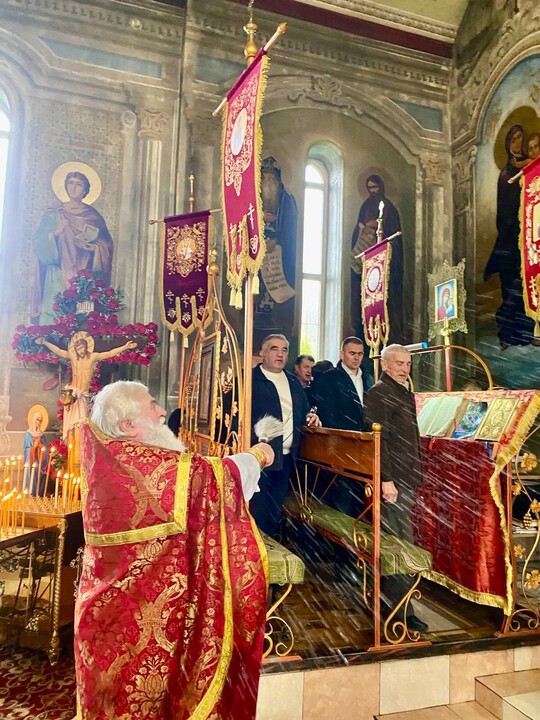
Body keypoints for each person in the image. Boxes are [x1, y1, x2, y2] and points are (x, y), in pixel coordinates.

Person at [74, 380, 274, 720]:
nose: (162, 411)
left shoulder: (111, 459)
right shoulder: (136, 465)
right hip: (128, 619)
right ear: (128, 425)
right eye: (152, 405)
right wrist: (258, 455)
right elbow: (209, 477)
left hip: (112, 613)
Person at [364, 344, 428, 633]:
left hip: (405, 477)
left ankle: (396, 603)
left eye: (408, 363)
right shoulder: (378, 393)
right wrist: (386, 479)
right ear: (385, 365)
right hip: (393, 480)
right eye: (399, 363)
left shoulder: (403, 392)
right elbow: (380, 441)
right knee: (399, 542)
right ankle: (400, 610)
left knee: (400, 541)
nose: (404, 368)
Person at [250, 333, 320, 537]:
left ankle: (271, 550)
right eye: (274, 349)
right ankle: (255, 550)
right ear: (262, 353)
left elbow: (305, 411)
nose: (280, 354)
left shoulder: (292, 381)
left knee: (274, 511)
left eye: (284, 350)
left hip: (287, 457)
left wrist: (311, 417)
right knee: (256, 510)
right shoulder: (250, 379)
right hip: (258, 458)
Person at [32, 171, 114, 324]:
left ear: (85, 190)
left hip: (83, 275)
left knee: (80, 319)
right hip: (57, 271)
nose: (73, 187)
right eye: (70, 183)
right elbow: (38, 242)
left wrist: (95, 248)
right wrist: (57, 232)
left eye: (78, 184)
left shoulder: (93, 216)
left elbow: (106, 244)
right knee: (55, 315)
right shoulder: (54, 213)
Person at [484, 124, 537, 349]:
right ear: (507, 144)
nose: (518, 144)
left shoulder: (530, 168)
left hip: (527, 237)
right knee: (511, 290)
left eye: (520, 139)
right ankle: (507, 334)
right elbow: (504, 211)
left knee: (526, 287)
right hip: (509, 239)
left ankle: (527, 333)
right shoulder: (507, 174)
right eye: (514, 139)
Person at [37, 330, 137, 437]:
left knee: (82, 423)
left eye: (82, 348)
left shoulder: (93, 357)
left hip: (83, 394)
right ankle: (70, 442)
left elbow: (109, 353)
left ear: (86, 347)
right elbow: (59, 351)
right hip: (72, 395)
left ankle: (80, 443)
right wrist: (45, 342)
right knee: (70, 425)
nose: (80, 351)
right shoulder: (73, 357)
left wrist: (125, 347)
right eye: (78, 349)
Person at [350, 174, 404, 343]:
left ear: (381, 187)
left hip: (385, 265)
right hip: (368, 267)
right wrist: (362, 230)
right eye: (370, 188)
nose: (373, 192)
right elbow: (357, 233)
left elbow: (395, 237)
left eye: (375, 187)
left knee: (386, 304)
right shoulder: (365, 206)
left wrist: (378, 230)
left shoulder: (389, 209)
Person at [255, 157, 298, 340]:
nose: (268, 183)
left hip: (278, 256)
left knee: (276, 301)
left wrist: (278, 241)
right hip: (257, 253)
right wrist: (260, 218)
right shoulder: (253, 201)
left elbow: (291, 227)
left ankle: (277, 326)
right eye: (265, 179)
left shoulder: (287, 200)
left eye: (272, 179)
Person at [315, 337, 373, 431]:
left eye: (360, 354)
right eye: (352, 353)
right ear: (342, 354)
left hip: (366, 435)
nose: (356, 358)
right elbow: (327, 415)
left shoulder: (366, 378)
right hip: (342, 435)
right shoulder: (329, 378)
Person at [23, 406, 49, 494]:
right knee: (32, 475)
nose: (39, 422)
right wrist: (34, 446)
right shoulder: (28, 434)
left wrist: (41, 445)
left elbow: (45, 451)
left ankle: (39, 496)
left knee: (41, 474)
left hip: (40, 462)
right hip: (32, 462)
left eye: (41, 420)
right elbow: (27, 450)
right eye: (37, 420)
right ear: (34, 420)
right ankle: (32, 495)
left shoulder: (42, 435)